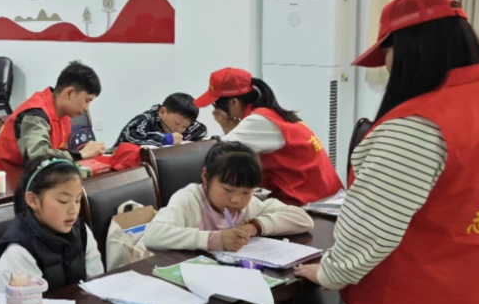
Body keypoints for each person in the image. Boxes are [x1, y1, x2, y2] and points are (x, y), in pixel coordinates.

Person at [294, 0, 479, 304]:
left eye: (386, 53)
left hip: (413, 294)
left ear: (409, 49)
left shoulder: (419, 125)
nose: (387, 67)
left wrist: (330, 273)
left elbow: (371, 226)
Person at [193, 67, 342, 206]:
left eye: (216, 105)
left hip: (311, 202)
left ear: (234, 102)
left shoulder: (259, 121)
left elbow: (217, 152)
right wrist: (228, 127)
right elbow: (237, 150)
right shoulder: (271, 114)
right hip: (325, 193)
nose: (216, 110)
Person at [144, 141, 313, 252]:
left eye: (246, 192)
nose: (236, 200)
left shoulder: (249, 206)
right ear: (206, 176)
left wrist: (254, 226)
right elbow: (152, 235)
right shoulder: (189, 199)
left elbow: (303, 220)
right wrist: (214, 239)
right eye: (227, 189)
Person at [0, 156, 104, 299]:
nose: (74, 210)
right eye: (63, 201)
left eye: (77, 200)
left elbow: (97, 285)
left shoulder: (81, 231)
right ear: (33, 200)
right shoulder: (19, 252)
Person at [0, 61, 106, 174]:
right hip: (11, 181)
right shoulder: (35, 114)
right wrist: (81, 154)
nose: (87, 108)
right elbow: (37, 157)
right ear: (69, 93)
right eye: (87, 100)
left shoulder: (63, 115)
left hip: (41, 175)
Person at [114, 92, 207, 147]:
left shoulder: (184, 124)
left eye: (185, 126)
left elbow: (201, 129)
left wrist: (182, 137)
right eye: (177, 123)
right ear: (162, 112)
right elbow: (132, 136)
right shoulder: (146, 119)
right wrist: (165, 139)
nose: (179, 129)